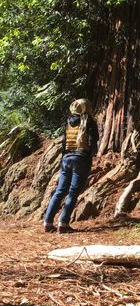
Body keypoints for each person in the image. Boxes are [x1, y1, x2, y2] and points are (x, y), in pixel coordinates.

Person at [44, 98, 99, 233]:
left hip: (66, 159)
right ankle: (63, 223)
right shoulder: (89, 122)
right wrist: (90, 153)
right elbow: (93, 141)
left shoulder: (68, 122)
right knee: (73, 192)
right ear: (86, 108)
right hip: (81, 158)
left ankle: (48, 222)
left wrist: (64, 158)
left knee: (60, 191)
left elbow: (64, 143)